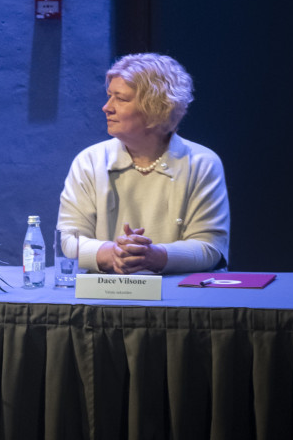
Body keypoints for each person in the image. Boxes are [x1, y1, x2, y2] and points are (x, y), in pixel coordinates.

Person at [58, 52, 229, 275]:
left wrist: (155, 256)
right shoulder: (89, 161)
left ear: (156, 107)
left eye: (121, 99)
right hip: (107, 292)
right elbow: (68, 241)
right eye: (109, 96)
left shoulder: (201, 163)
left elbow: (210, 248)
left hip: (180, 293)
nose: (107, 107)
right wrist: (113, 254)